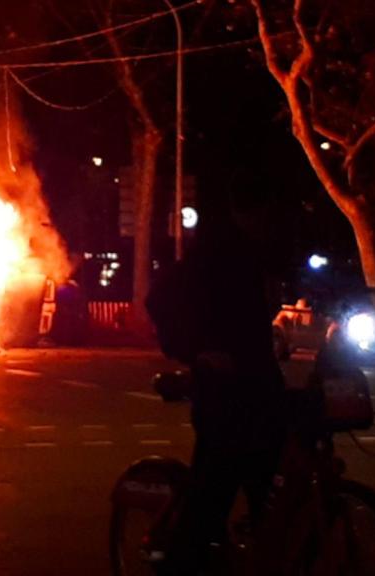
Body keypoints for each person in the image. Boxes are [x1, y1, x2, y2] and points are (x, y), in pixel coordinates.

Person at [147, 198, 286, 574]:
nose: (266, 220)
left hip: (258, 387)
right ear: (244, 211)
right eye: (260, 211)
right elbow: (158, 298)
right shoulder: (216, 254)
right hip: (221, 394)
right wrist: (197, 352)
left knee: (271, 492)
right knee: (212, 496)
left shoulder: (261, 254)